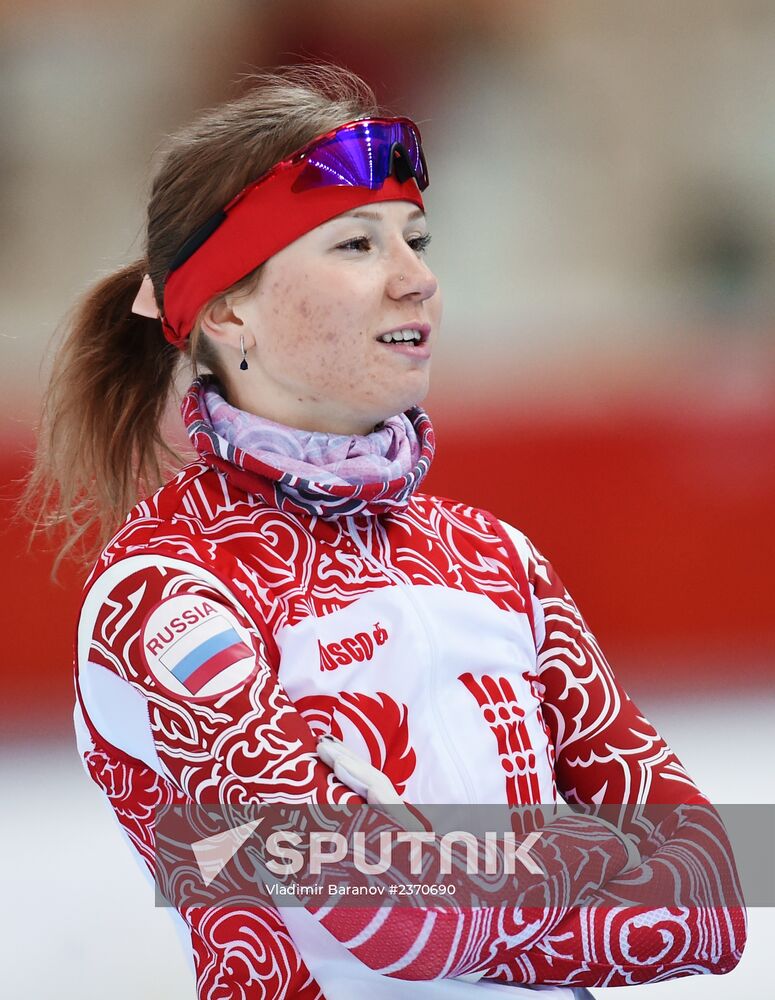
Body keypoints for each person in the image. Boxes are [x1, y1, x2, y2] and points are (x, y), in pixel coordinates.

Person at [26, 64, 746, 999]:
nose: (417, 279)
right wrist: (578, 865)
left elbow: (713, 897)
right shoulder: (166, 590)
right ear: (227, 308)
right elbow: (403, 921)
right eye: (357, 246)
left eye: (416, 239)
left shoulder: (495, 559)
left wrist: (445, 864)